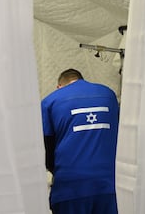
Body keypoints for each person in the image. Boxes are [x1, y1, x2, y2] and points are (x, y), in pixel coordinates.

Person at [41, 68, 119, 214]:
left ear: (59, 87)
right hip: (109, 184)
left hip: (70, 187)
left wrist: (55, 171)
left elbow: (46, 147)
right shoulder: (109, 95)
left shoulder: (50, 101)